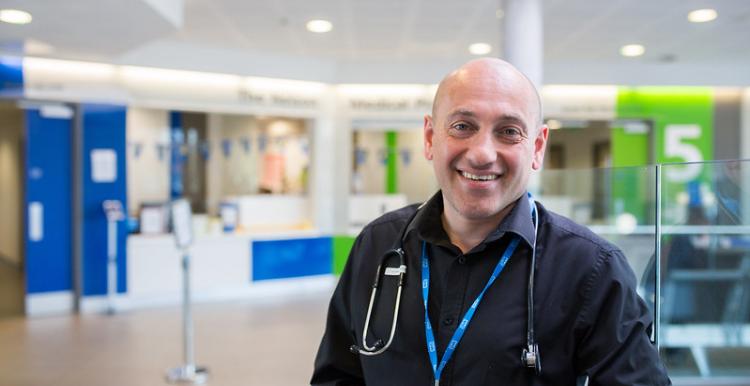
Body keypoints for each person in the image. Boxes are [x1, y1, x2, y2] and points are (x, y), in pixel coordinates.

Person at [311, 58, 671, 385]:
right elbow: (338, 376)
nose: (482, 154)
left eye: (509, 131)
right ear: (430, 138)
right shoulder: (378, 244)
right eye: (463, 126)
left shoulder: (593, 271)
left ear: (538, 147)